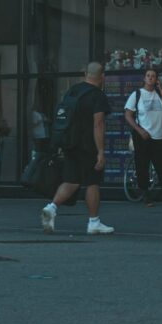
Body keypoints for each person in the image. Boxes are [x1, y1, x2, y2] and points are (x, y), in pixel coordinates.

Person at [41, 61, 113, 236]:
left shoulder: (72, 91)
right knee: (92, 182)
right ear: (102, 76)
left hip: (70, 143)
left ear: (85, 74)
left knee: (72, 180)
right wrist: (101, 151)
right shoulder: (97, 95)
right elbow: (98, 124)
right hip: (88, 146)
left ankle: (51, 208)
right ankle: (94, 222)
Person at [124, 65, 162, 206]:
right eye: (148, 76)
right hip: (142, 136)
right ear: (144, 78)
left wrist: (161, 89)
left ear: (157, 79)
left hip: (158, 137)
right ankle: (145, 195)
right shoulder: (137, 94)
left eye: (153, 76)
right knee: (142, 166)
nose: (150, 78)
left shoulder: (159, 94)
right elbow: (128, 115)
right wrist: (139, 130)